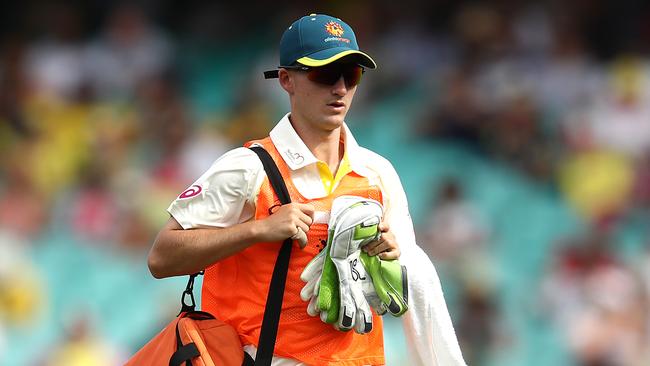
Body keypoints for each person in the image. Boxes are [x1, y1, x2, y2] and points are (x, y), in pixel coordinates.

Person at [148, 13, 466, 366]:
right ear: (286, 80)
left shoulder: (378, 172)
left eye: (352, 74)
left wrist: (393, 254)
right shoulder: (247, 167)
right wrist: (257, 230)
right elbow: (162, 258)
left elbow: (402, 286)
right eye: (325, 73)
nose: (341, 88)